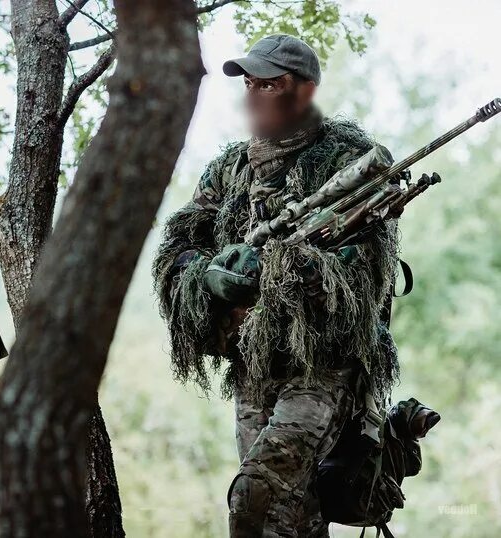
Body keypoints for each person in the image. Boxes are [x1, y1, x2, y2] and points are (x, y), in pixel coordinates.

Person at [153, 34, 400, 537]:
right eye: (249, 83)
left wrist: (279, 267)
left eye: (269, 83)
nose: (253, 95)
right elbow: (180, 242)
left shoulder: (350, 162)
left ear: (304, 91)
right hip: (255, 366)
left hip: (325, 368)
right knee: (291, 515)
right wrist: (212, 272)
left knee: (254, 495)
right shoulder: (231, 168)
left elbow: (363, 272)